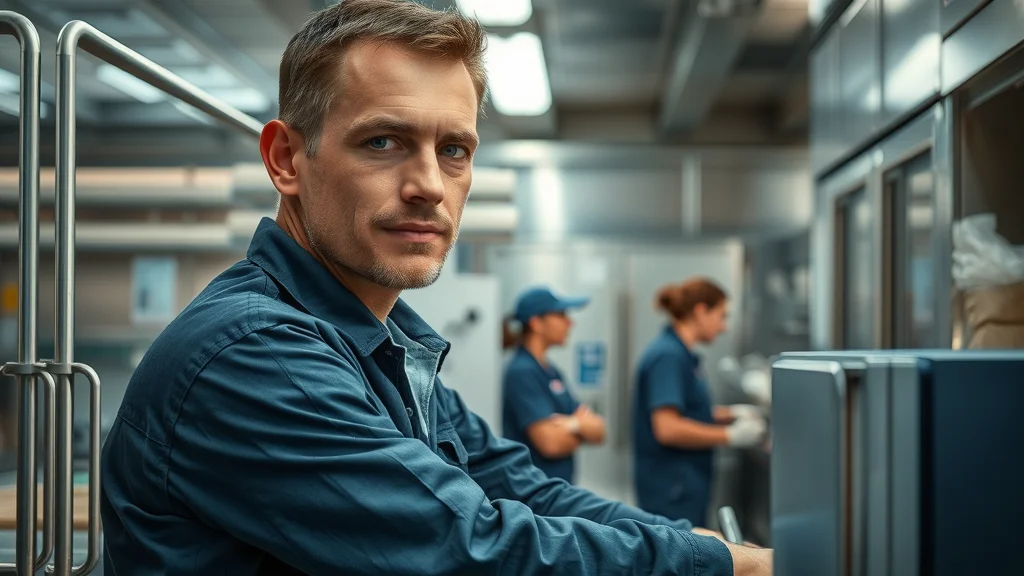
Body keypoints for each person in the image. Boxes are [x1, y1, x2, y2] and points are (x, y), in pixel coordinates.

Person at [100, 1, 772, 574]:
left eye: (453, 150)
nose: (428, 185)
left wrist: (688, 544)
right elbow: (466, 550)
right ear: (286, 161)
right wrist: (705, 562)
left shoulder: (388, 343)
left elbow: (521, 490)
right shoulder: (251, 352)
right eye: (384, 142)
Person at [633, 278, 767, 527]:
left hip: (682, 486)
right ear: (701, 311)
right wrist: (730, 436)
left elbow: (687, 409)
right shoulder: (668, 356)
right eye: (721, 316)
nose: (724, 327)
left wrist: (730, 414)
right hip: (671, 490)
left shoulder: (682, 355)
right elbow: (668, 428)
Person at [501, 286, 606, 484]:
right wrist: (582, 428)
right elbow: (551, 444)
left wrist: (573, 424)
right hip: (535, 495)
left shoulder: (551, 372)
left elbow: (600, 431)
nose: (570, 322)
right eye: (561, 315)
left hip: (558, 491)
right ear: (536, 323)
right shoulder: (522, 371)